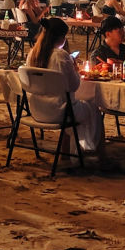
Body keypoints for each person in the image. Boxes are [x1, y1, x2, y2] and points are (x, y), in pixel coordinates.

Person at [26, 17, 104, 153]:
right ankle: (98, 152)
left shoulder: (33, 53)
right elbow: (74, 86)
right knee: (93, 108)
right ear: (61, 37)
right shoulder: (61, 56)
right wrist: (75, 69)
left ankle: (68, 151)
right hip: (59, 111)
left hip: (36, 109)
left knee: (76, 105)